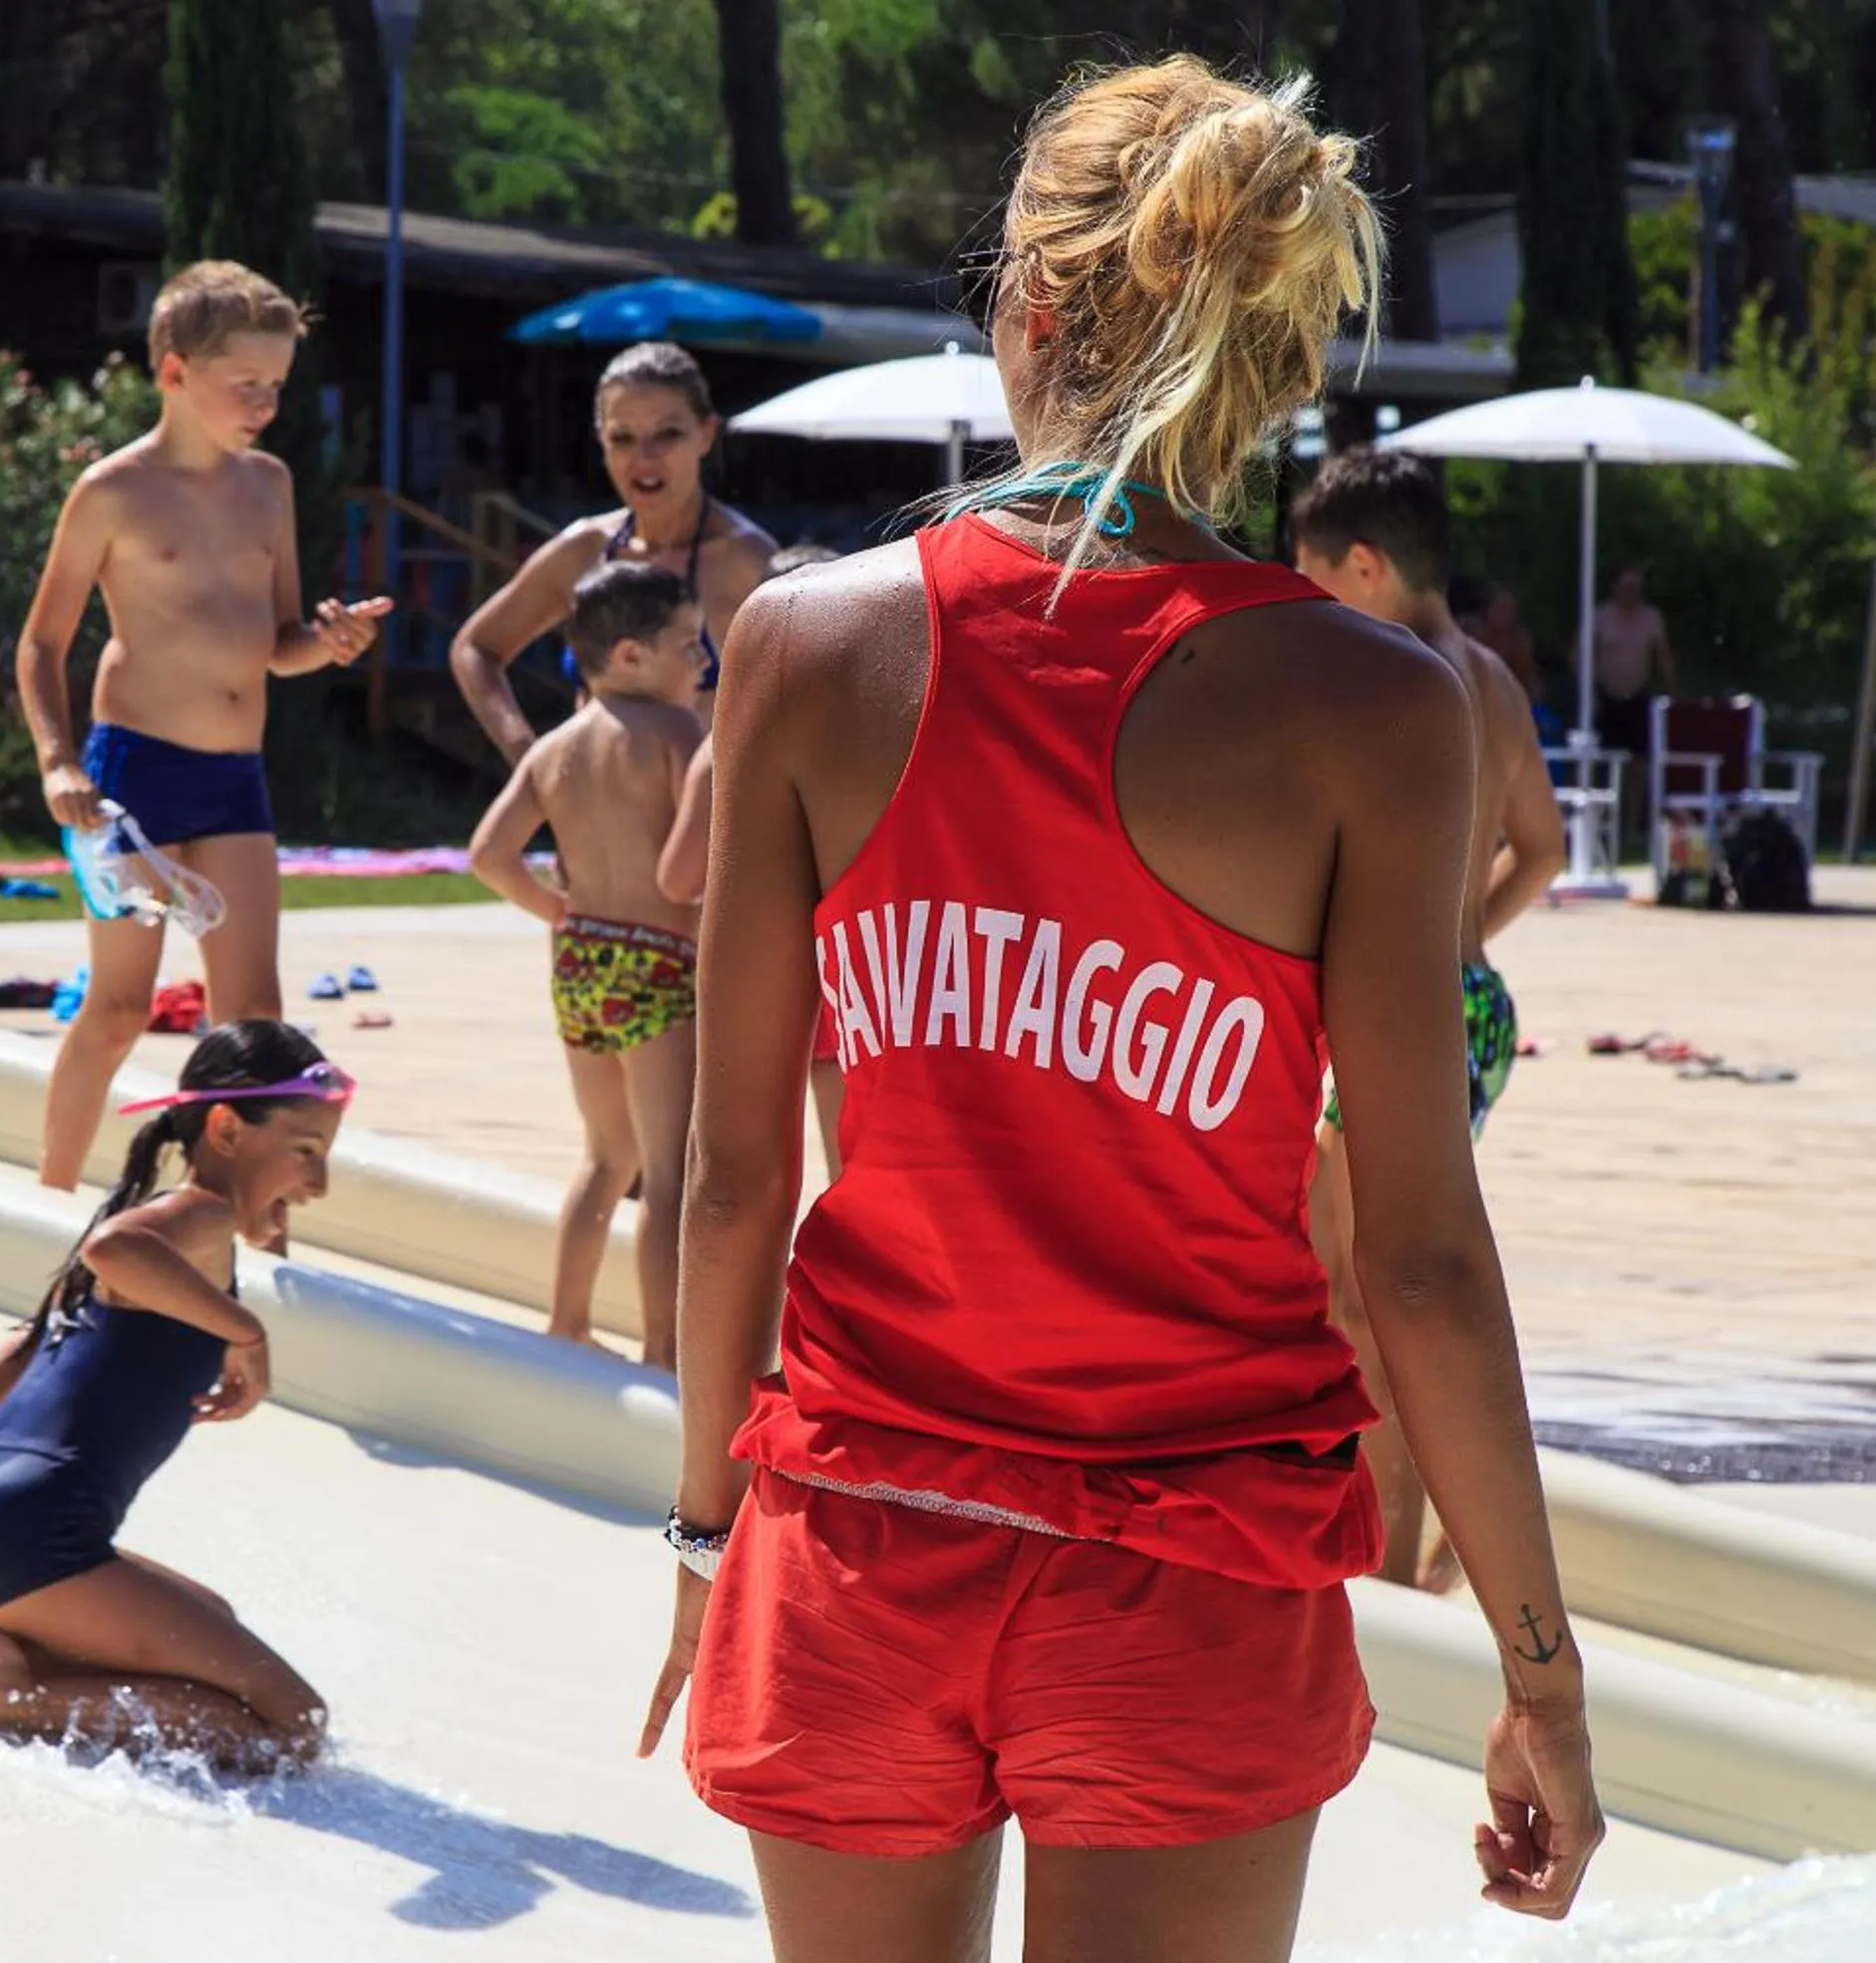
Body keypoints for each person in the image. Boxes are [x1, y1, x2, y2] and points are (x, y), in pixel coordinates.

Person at [638, 57, 1601, 1962]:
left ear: (1032, 306)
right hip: (1193, 1574)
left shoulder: (809, 643)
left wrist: (698, 1540)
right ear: (1274, 353)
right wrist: (1536, 1664)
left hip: (851, 1530)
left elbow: (733, 1176)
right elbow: (1411, 1255)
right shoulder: (1370, 709)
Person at [0, 1019, 346, 1773]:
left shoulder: (103, 1283)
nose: (318, 1183)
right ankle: (8, 1695)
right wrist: (247, 1334)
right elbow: (112, 1247)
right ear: (226, 1129)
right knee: (294, 1724)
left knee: (211, 1616)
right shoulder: (199, 1218)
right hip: (22, 1540)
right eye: (305, 1152)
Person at [17, 260, 390, 1194]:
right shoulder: (113, 491)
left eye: (275, 385)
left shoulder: (268, 485)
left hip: (235, 777)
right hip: (130, 780)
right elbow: (41, 642)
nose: (264, 404)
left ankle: (236, 1217)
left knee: (252, 1018)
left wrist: (330, 642)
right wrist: (58, 764)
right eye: (246, 385)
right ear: (175, 373)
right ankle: (44, 1199)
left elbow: (279, 643)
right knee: (116, 1009)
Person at [1291, 448, 1569, 1590]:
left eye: (1310, 579)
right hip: (1470, 1002)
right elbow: (1545, 848)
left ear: (1363, 565)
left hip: (1400, 1011)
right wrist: (1459, 949)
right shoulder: (1495, 680)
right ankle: (1390, 1541)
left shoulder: (1385, 669)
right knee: (1378, 1278)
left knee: (1360, 1295)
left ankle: (1385, 1564)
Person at [469, 560, 705, 1365]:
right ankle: (663, 1346)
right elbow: (691, 863)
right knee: (670, 1170)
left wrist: (557, 911)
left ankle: (565, 1320)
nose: (702, 658)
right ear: (632, 655)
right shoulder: (677, 735)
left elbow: (489, 855)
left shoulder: (555, 749)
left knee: (607, 1157)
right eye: (687, 643)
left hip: (581, 962)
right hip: (660, 965)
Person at [448, 342, 776, 761]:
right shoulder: (583, 551)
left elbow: (804, 701)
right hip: (593, 820)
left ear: (706, 434)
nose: (645, 458)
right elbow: (476, 649)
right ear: (602, 441)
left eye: (667, 434)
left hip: (700, 821)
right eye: (623, 438)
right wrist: (531, 761)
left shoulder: (748, 560)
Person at [659, 543, 848, 1180]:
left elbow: (678, 878)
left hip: (761, 970)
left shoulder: (725, 744)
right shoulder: (864, 733)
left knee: (737, 1166)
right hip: (850, 971)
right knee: (853, 1170)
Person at [1590, 565, 1675, 762]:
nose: (1632, 592)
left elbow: (1663, 657)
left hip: (1638, 695)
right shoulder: (1600, 617)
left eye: (1637, 587)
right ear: (1615, 586)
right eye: (1627, 586)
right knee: (1604, 757)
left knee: (1639, 758)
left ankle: (1634, 793)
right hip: (1605, 697)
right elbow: (1580, 655)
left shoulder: (1652, 618)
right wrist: (1589, 690)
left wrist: (1671, 690)